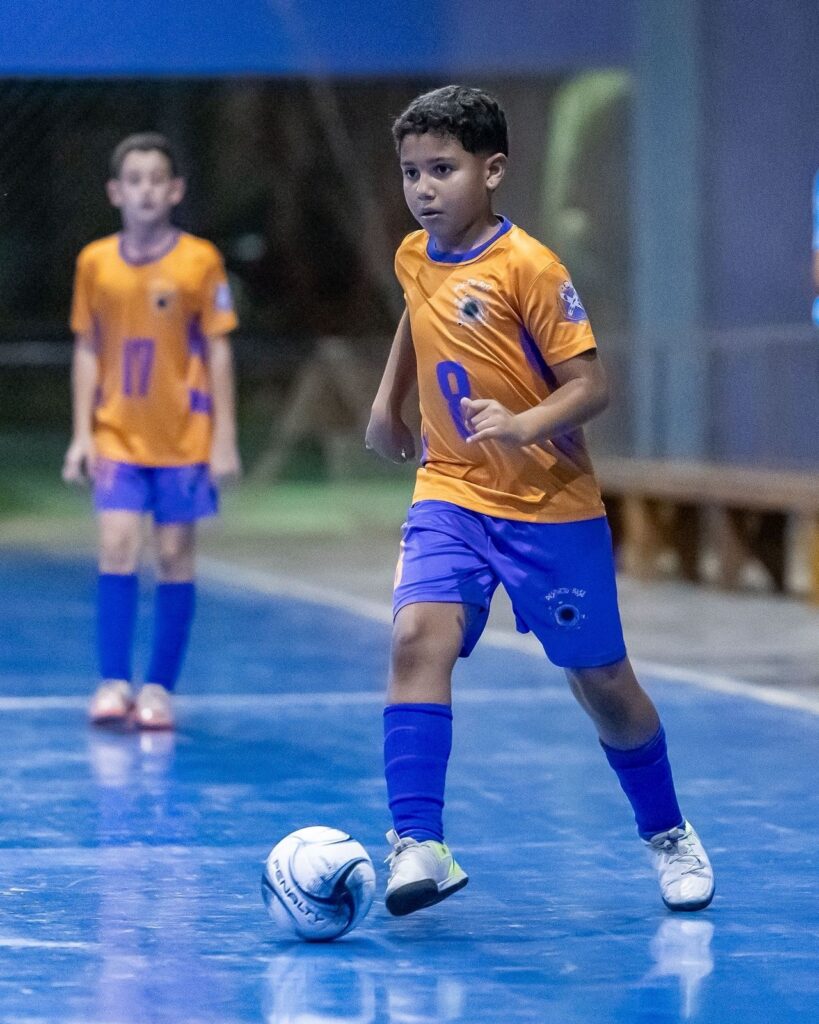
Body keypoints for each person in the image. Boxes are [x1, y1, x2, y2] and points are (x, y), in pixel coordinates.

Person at [365, 86, 714, 917]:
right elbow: (418, 319)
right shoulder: (414, 254)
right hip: (450, 489)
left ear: (491, 170)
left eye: (441, 169)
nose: (423, 187)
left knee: (600, 680)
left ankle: (666, 832)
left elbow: (590, 385)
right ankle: (417, 843)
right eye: (411, 171)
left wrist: (524, 425)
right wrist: (389, 403)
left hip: (547, 507)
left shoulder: (532, 267)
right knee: (417, 636)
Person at [63, 133, 240, 731]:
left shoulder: (200, 261)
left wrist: (224, 439)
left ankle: (160, 688)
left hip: (183, 438)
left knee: (173, 555)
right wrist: (82, 434)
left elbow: (218, 351)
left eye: (155, 179)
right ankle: (113, 682)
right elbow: (87, 347)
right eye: (132, 179)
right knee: (116, 544)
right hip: (117, 435)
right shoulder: (95, 263)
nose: (144, 189)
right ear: (115, 192)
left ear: (174, 190)